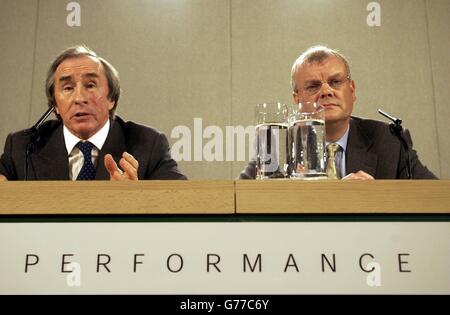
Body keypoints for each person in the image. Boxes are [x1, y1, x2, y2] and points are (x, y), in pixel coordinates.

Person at [240, 45, 437, 179]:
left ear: (352, 90)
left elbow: (434, 198)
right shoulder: (278, 147)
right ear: (297, 99)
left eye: (335, 82)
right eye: (313, 86)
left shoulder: (389, 141)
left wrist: (376, 197)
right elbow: (240, 200)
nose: (326, 91)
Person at [0, 45, 186, 181]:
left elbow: (182, 201)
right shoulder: (23, 147)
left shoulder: (148, 144)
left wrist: (138, 199)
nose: (79, 98)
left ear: (111, 98)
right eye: (68, 88)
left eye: (90, 85)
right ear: (55, 104)